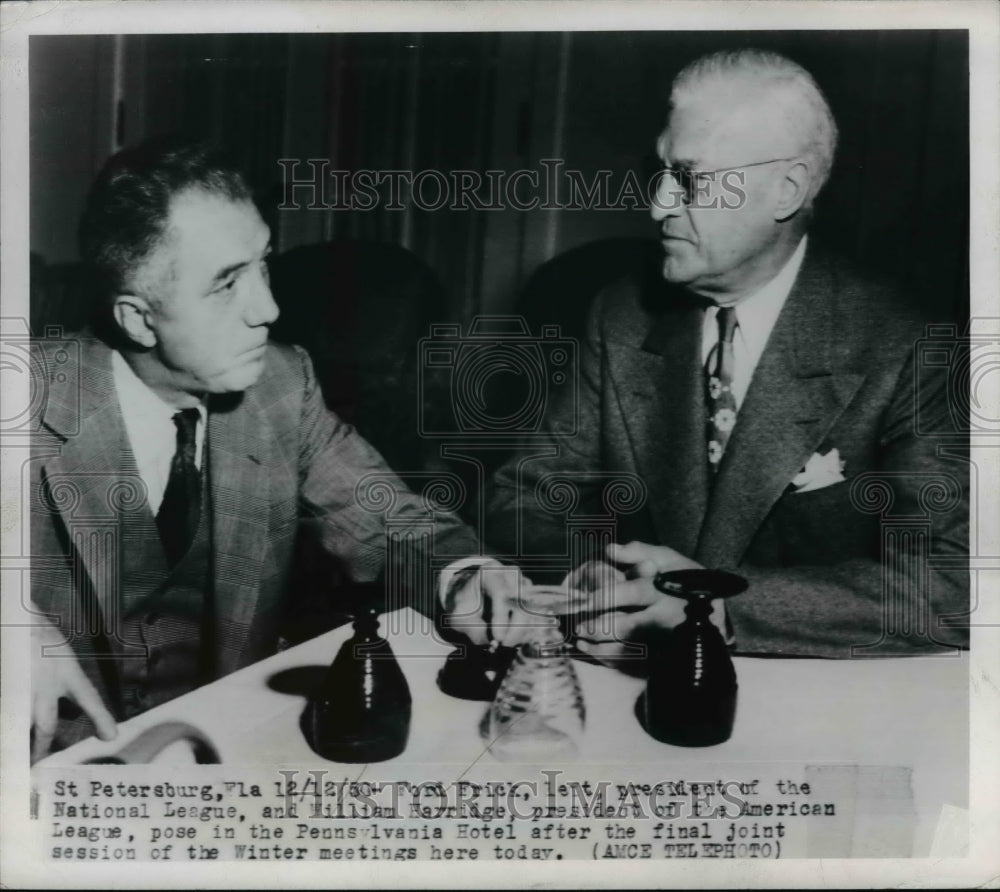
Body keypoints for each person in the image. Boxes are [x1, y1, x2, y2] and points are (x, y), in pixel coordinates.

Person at [28, 138, 529, 762]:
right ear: (137, 318)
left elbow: (391, 518)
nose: (268, 308)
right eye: (226, 284)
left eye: (264, 264)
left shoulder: (280, 386)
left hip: (226, 750)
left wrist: (466, 574)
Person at [488, 48, 969, 660]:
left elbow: (953, 586)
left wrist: (712, 603)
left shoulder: (910, 345)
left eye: (690, 179)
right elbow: (523, 499)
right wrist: (597, 580)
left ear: (786, 190)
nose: (658, 204)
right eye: (658, 172)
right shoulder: (621, 314)